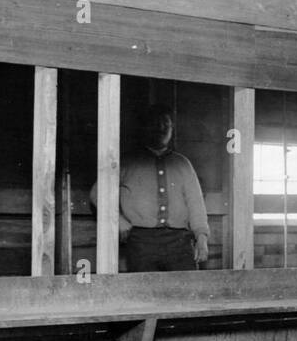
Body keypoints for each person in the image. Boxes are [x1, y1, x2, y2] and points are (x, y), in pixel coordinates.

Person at [90, 107, 209, 272]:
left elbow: (196, 203)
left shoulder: (183, 163)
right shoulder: (126, 161)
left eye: (166, 124)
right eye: (155, 124)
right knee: (143, 293)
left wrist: (201, 237)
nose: (161, 128)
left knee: (185, 292)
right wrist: (118, 221)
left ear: (172, 129)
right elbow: (97, 193)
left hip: (180, 241)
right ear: (145, 128)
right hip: (141, 242)